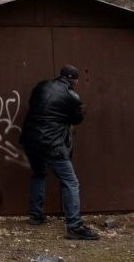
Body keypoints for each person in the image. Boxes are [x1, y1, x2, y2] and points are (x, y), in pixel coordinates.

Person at [19, 65, 100, 240]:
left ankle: (35, 215)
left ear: (60, 76)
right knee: (71, 182)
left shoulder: (41, 86)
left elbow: (34, 105)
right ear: (75, 80)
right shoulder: (72, 97)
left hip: (30, 140)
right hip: (52, 144)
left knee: (39, 174)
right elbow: (76, 119)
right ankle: (74, 226)